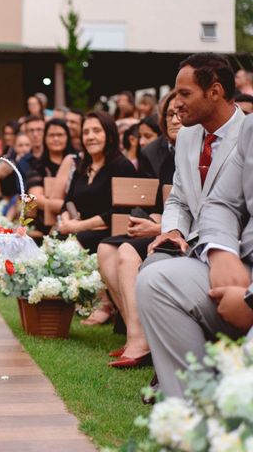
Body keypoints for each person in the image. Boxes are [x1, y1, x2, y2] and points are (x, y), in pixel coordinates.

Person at [136, 52, 246, 397]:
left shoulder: (248, 132)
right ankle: (182, 393)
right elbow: (183, 198)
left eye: (184, 94)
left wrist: (225, 253)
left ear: (214, 92)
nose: (175, 104)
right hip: (200, 246)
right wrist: (172, 231)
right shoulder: (186, 137)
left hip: (241, 259)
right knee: (153, 266)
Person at [96, 92, 180, 367]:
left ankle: (139, 340)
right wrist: (149, 220)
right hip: (161, 224)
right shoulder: (165, 155)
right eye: (168, 115)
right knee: (106, 247)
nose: (174, 120)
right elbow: (157, 200)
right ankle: (138, 331)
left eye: (179, 114)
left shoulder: (193, 151)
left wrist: (158, 226)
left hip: (182, 232)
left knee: (127, 251)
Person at [57, 111, 137, 251]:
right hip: (78, 231)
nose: (90, 137)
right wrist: (66, 222)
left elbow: (119, 212)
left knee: (67, 248)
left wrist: (78, 226)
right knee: (51, 245)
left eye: (97, 131)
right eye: (86, 132)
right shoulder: (82, 167)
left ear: (110, 136)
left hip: (107, 235)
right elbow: (67, 202)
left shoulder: (122, 166)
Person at [27, 118, 75, 232]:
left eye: (60, 135)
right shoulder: (38, 166)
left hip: (75, 222)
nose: (56, 139)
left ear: (67, 137)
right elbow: (36, 197)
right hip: (45, 224)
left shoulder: (78, 163)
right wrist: (66, 208)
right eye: (51, 135)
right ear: (45, 138)